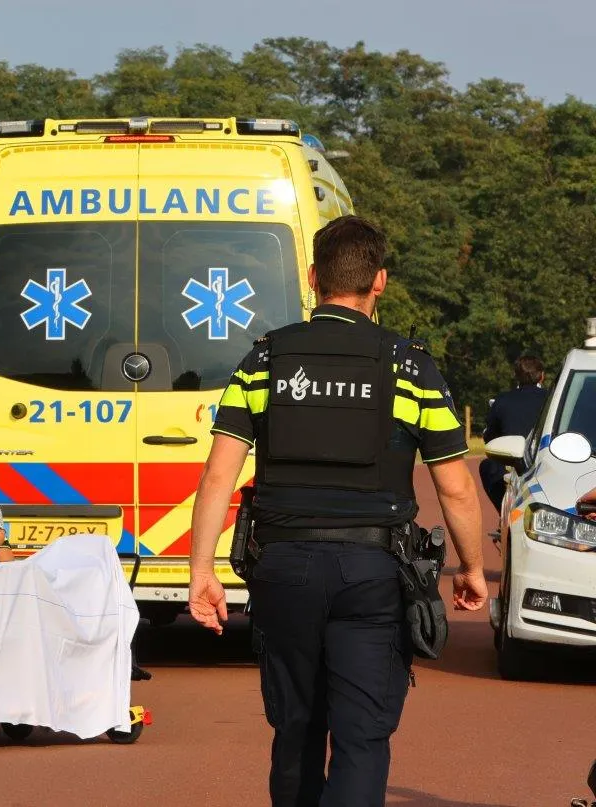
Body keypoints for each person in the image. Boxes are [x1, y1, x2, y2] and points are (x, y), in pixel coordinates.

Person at [186, 215, 488, 807]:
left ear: (312, 277)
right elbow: (454, 489)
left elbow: (219, 475)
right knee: (361, 738)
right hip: (372, 574)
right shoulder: (410, 366)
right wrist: (472, 568)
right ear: (380, 281)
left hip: (284, 569)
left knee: (295, 730)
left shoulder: (264, 360)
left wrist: (203, 573)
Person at [479, 354, 547, 511]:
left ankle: (503, 512)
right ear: (542, 376)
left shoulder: (502, 400)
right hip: (544, 462)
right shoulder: (554, 398)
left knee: (488, 466)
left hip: (512, 466)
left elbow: (489, 438)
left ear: (516, 376)